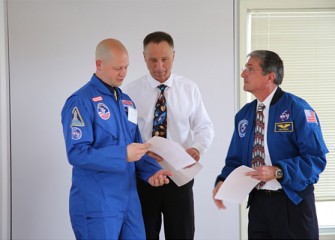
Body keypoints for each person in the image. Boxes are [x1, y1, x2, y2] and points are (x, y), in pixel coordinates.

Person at [61, 38, 172, 240]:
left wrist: (152, 172)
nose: (123, 73)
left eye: (126, 67)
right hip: (97, 203)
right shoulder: (81, 101)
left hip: (129, 201)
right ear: (99, 64)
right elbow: (76, 153)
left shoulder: (127, 102)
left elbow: (138, 148)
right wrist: (122, 154)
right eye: (117, 68)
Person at [213, 50, 328, 239]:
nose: (243, 74)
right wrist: (222, 182)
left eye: (250, 69)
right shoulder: (244, 116)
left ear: (270, 77)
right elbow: (234, 160)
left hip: (292, 204)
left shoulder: (298, 109)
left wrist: (278, 171)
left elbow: (315, 159)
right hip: (259, 205)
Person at [124, 31, 215, 239]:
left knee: (181, 234)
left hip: (179, 177)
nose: (159, 67)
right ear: (144, 58)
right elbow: (126, 135)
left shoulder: (189, 88)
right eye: (153, 60)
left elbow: (205, 127)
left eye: (164, 59)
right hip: (144, 177)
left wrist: (197, 148)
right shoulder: (130, 92)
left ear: (173, 55)